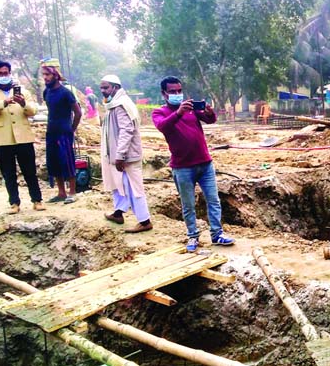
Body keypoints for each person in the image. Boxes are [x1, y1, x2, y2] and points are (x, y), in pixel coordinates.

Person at [151, 76, 235, 252]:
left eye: (179, 91)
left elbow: (210, 120)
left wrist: (210, 112)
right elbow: (163, 127)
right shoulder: (159, 113)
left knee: (213, 200)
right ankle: (193, 236)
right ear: (164, 93)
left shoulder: (191, 109)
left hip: (205, 163)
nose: (177, 94)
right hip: (182, 167)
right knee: (188, 205)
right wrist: (179, 113)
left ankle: (216, 234)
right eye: (172, 91)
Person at [0, 60, 45, 214]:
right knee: (8, 173)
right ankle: (14, 203)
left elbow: (33, 111)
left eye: (6, 73)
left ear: (10, 73)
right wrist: (3, 103)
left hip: (23, 138)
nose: (3, 76)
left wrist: (23, 104)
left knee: (30, 171)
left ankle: (37, 200)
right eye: (0, 73)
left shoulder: (23, 91)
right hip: (2, 139)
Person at [100, 74, 153, 233]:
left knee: (134, 188)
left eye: (106, 87)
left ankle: (144, 221)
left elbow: (126, 130)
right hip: (116, 155)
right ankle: (118, 213)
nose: (103, 91)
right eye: (101, 87)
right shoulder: (113, 104)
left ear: (115, 87)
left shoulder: (121, 105)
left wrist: (120, 155)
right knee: (118, 184)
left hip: (126, 156)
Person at [41, 58, 82, 204]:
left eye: (48, 74)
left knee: (67, 161)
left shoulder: (66, 93)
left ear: (56, 75)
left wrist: (72, 129)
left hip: (64, 131)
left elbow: (78, 113)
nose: (45, 77)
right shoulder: (46, 92)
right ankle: (61, 192)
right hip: (51, 131)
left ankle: (72, 192)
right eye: (44, 74)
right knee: (54, 161)